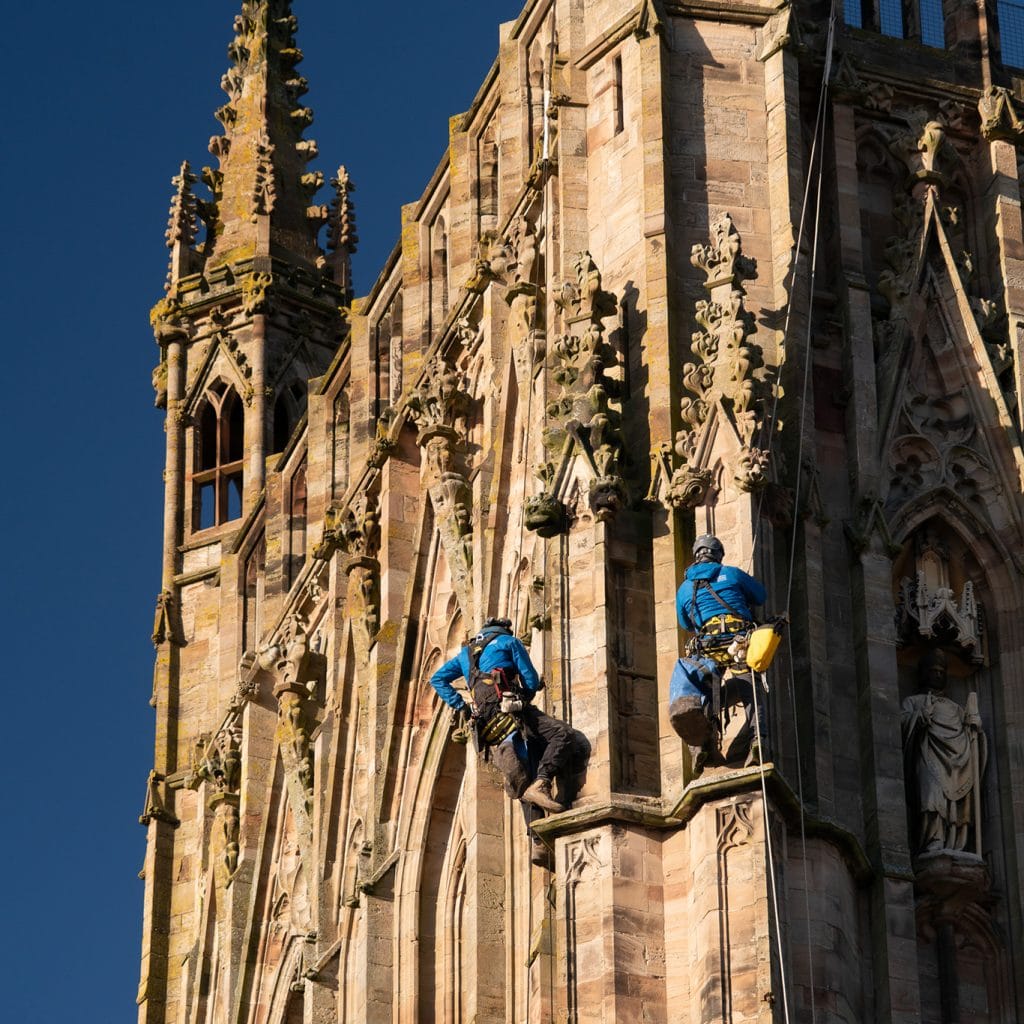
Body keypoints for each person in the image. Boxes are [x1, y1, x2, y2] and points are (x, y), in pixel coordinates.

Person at [429, 616, 574, 813]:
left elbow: (437, 679)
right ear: (504, 629)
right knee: (562, 734)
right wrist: (527, 694)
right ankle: (542, 781)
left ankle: (537, 838)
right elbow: (530, 681)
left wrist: (462, 707)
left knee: (523, 773)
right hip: (512, 712)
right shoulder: (509, 642)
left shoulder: (466, 653)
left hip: (487, 723)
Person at [670, 535, 767, 763]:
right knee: (750, 688)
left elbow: (686, 624)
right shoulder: (732, 573)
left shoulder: (684, 588)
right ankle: (757, 741)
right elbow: (761, 597)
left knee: (703, 691)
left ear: (697, 556)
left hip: (707, 647)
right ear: (718, 555)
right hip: (739, 641)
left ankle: (702, 746)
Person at [901, 648, 986, 856]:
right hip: (928, 756)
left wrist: (975, 728)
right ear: (924, 674)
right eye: (933, 671)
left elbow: (972, 737)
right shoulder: (914, 702)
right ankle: (933, 841)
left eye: (941, 671)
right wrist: (919, 717)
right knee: (931, 797)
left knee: (958, 804)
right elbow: (899, 723)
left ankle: (957, 843)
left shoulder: (956, 708)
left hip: (959, 761)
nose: (938, 674)